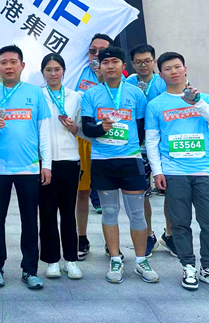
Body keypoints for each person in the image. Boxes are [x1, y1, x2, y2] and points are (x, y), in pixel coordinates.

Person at [145, 52, 209, 291]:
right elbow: (152, 141)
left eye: (177, 67)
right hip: (174, 172)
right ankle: (188, 266)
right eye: (167, 68)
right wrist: (157, 171)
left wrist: (198, 103)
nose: (173, 72)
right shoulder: (156, 104)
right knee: (180, 223)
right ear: (160, 74)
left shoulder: (203, 98)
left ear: (185, 69)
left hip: (204, 170)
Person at [81, 47, 158, 284]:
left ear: (123, 66)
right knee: (110, 211)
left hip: (130, 160)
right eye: (105, 62)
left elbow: (142, 127)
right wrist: (100, 129)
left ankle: (141, 260)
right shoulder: (91, 94)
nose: (110, 66)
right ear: (100, 67)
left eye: (115, 61)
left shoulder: (135, 93)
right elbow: (87, 128)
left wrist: (130, 146)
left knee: (137, 212)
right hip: (102, 161)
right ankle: (115, 259)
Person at [0, 45, 52, 290]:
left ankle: (30, 269)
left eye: (13, 62)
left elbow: (43, 130)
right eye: (4, 62)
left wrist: (46, 164)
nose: (8, 66)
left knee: (29, 220)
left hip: (28, 167)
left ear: (22, 65)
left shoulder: (35, 93)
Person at [125, 43, 174, 258]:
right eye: (138, 62)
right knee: (142, 193)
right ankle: (147, 236)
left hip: (164, 145)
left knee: (171, 192)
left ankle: (170, 234)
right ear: (132, 64)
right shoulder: (128, 82)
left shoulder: (163, 82)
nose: (143, 65)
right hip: (138, 147)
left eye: (147, 61)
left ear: (154, 61)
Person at [38, 53, 83, 280]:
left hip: (69, 160)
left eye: (57, 69)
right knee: (46, 212)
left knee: (67, 212)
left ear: (63, 71)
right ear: (43, 73)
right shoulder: (38, 96)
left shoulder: (75, 97)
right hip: (44, 162)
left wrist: (73, 127)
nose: (53, 73)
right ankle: (52, 260)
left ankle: (71, 259)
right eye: (48, 69)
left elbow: (82, 129)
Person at [74, 33, 112, 259]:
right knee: (82, 192)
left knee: (109, 194)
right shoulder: (76, 73)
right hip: (81, 140)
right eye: (92, 51)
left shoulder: (118, 77)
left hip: (108, 141)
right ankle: (81, 237)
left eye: (102, 51)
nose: (96, 55)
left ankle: (111, 241)